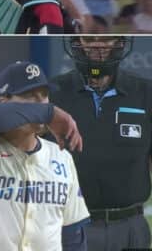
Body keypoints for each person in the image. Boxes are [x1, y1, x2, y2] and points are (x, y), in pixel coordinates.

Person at [0, 60, 89, 251]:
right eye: (29, 96)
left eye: (44, 96)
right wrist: (49, 112)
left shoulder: (61, 157)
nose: (40, 103)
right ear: (4, 100)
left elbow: (73, 235)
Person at [50, 36, 152, 251]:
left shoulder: (145, 92)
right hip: (70, 226)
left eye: (106, 40)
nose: (98, 46)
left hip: (131, 227)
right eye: (89, 39)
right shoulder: (52, 93)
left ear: (120, 42)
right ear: (77, 40)